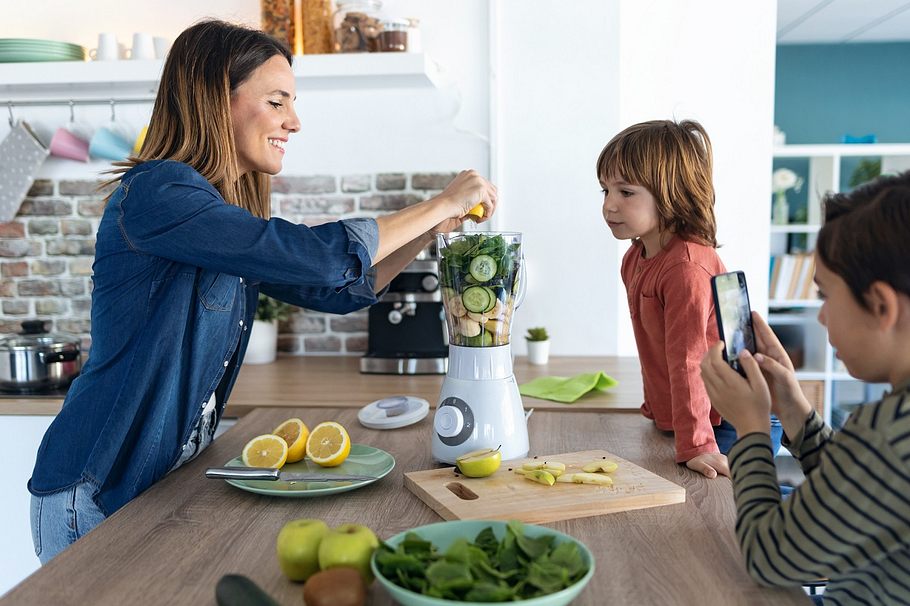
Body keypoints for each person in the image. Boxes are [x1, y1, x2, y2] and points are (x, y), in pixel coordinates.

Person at [27, 20, 497, 564]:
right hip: (94, 490)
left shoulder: (215, 219)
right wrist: (439, 203)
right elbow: (320, 256)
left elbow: (338, 289)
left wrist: (423, 233)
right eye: (277, 102)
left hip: (157, 482)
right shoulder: (158, 193)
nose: (294, 122)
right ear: (214, 99)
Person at [700, 171, 910, 605]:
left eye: (826, 296)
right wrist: (792, 407)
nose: (822, 318)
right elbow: (859, 483)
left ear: (882, 306)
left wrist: (753, 429)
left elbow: (768, 556)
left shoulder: (889, 430)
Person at [596, 119, 782, 479]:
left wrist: (696, 442)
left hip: (729, 421)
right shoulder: (635, 259)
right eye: (604, 191)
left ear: (671, 194)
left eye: (626, 192)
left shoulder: (686, 269)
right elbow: (657, 346)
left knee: (738, 507)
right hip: (694, 417)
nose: (609, 206)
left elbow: (689, 359)